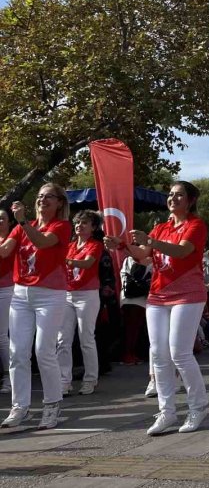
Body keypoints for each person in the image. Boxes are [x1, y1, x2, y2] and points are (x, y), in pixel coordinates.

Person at [113, 181, 209, 435]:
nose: (173, 198)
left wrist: (152, 241)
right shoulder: (161, 227)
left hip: (188, 293)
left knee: (180, 352)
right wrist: (122, 245)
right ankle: (166, 412)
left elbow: (181, 251)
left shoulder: (196, 226)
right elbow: (144, 255)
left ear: (190, 201)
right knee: (158, 354)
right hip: (157, 295)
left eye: (179, 195)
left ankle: (197, 407)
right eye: (170, 194)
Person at [0, 184, 72, 429]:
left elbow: (41, 242)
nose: (42, 200)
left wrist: (22, 223)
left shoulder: (62, 227)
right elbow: (5, 251)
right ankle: (19, 406)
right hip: (21, 295)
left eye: (49, 197)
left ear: (59, 203)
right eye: (40, 196)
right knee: (17, 353)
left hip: (50, 295)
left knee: (43, 351)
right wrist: (17, 227)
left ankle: (52, 405)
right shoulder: (22, 228)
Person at [57, 210, 105, 396]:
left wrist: (65, 260)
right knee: (63, 340)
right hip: (67, 295)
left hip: (87, 295)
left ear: (93, 227)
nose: (79, 226)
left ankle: (91, 379)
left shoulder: (95, 245)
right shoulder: (69, 245)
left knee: (86, 339)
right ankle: (64, 381)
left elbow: (86, 264)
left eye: (85, 223)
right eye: (77, 223)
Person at [120, 254, 152, 367]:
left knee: (136, 328)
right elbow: (135, 275)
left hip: (141, 299)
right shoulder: (130, 259)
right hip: (130, 299)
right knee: (131, 329)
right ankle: (127, 355)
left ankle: (133, 353)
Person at [0, 208, 15, 394]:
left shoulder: (12, 239)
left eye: (2, 219)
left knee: (2, 336)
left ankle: (9, 377)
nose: (0, 221)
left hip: (7, 289)